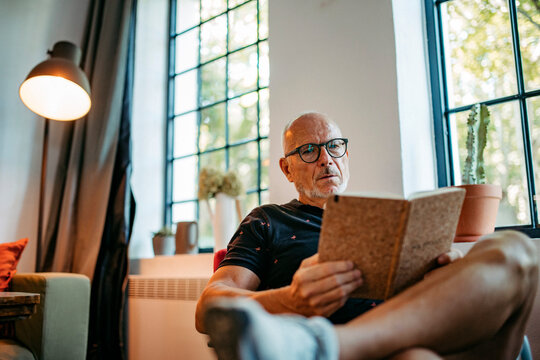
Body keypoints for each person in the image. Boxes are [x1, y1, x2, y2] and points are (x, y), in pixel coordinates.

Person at [195, 112, 539, 359]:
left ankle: (329, 344)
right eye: (310, 151)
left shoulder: (386, 221)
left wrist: (442, 274)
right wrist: (290, 300)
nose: (327, 160)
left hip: (429, 332)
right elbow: (209, 306)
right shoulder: (268, 220)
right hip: (405, 351)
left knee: (515, 250)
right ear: (287, 168)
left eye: (334, 147)